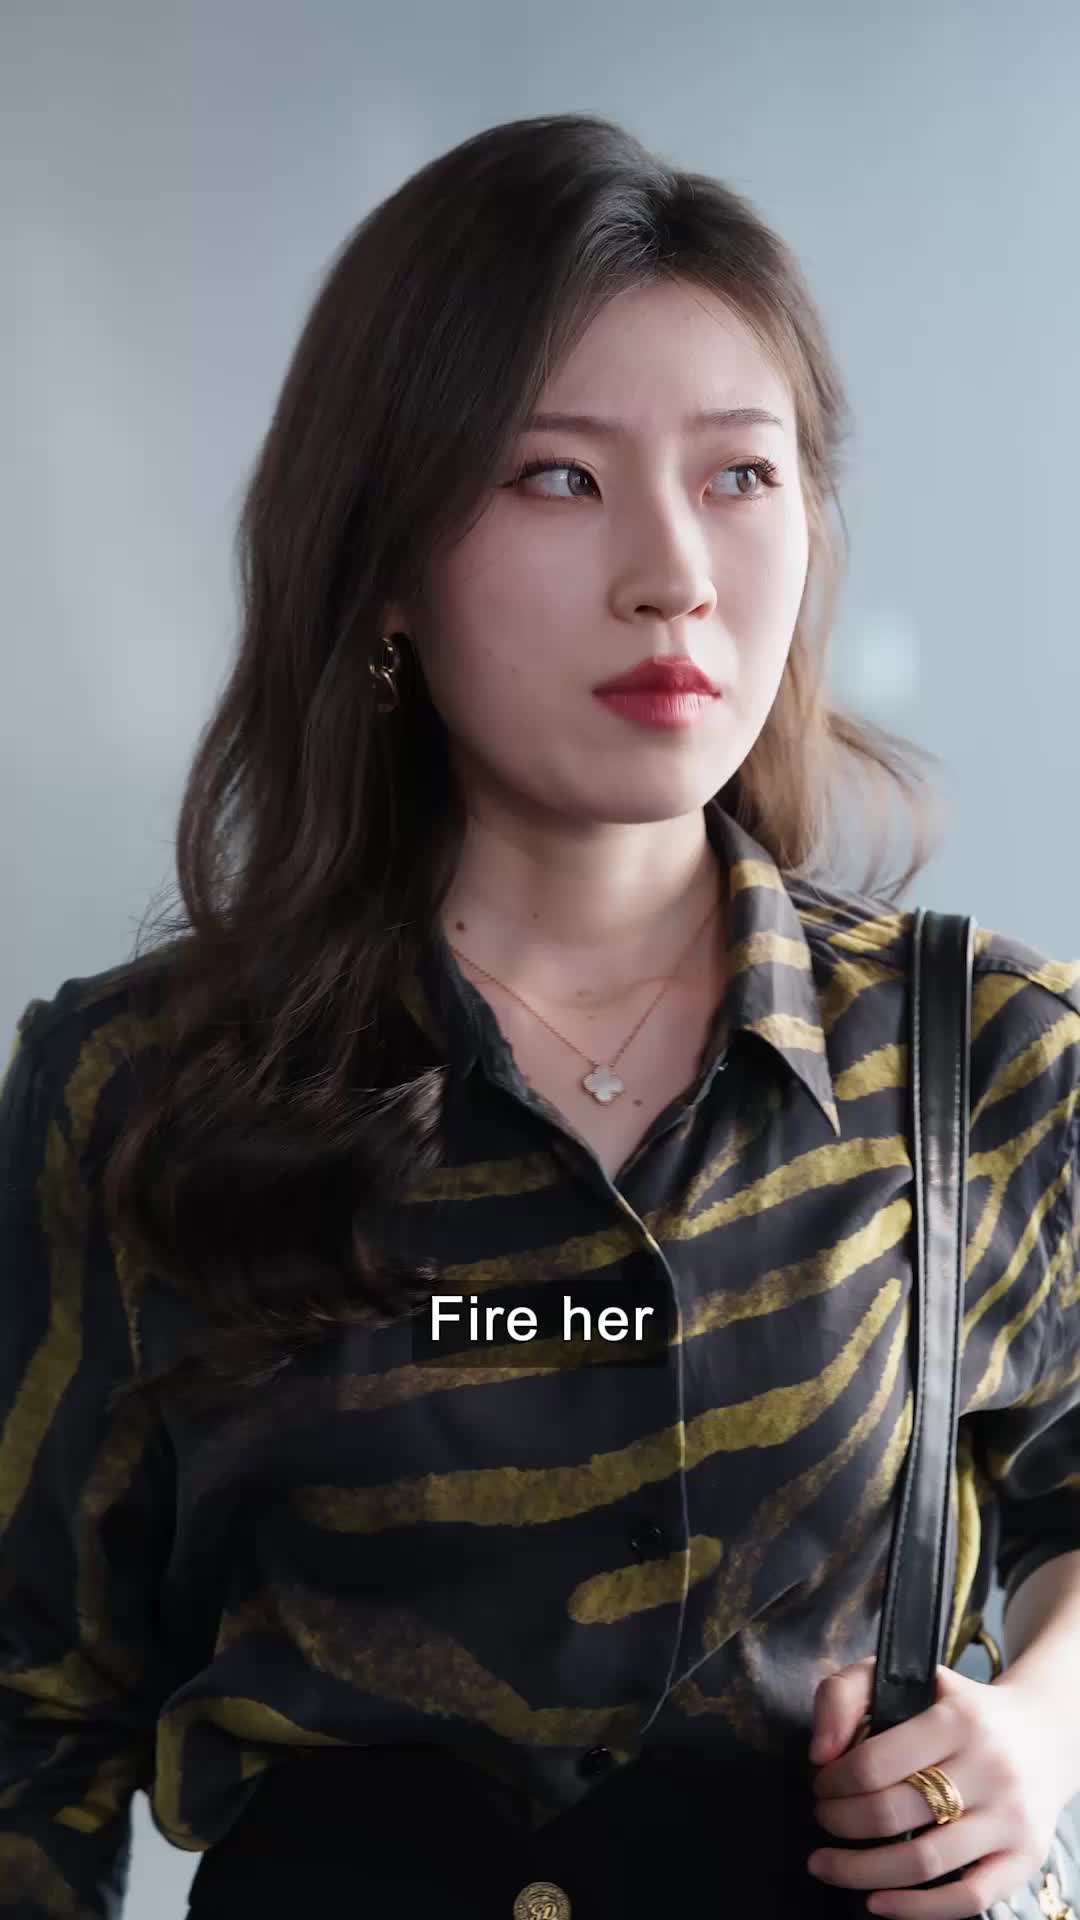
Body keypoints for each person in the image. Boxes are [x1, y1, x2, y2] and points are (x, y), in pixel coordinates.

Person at [2, 110, 1079, 1920]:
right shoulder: (142, 1091)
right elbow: (30, 1709)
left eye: (741, 475)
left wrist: (1039, 1734)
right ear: (385, 564)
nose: (674, 572)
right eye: (558, 477)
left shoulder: (985, 1056)